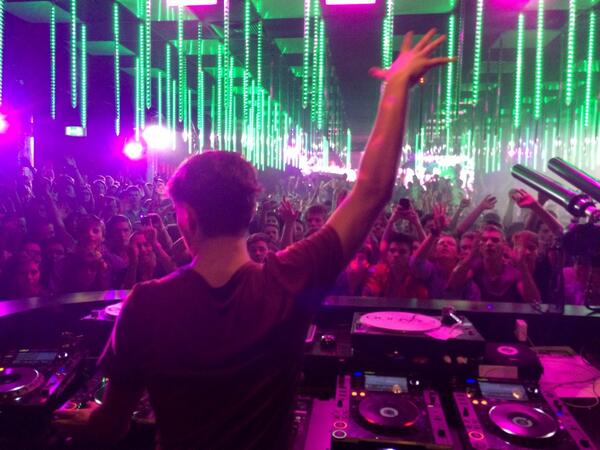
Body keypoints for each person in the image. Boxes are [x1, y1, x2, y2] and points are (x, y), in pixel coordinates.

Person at [52, 29, 452, 449]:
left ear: (187, 219)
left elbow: (112, 425)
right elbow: (371, 192)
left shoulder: (145, 304)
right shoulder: (287, 281)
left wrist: (77, 420)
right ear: (250, 212)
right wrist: (395, 87)